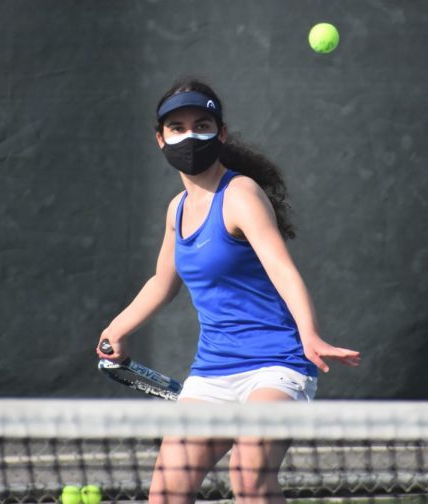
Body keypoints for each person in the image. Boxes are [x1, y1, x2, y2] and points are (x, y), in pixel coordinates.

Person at [96, 78, 361, 504]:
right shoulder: (177, 208)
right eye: (177, 127)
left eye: (201, 124)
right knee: (166, 493)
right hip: (212, 373)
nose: (189, 135)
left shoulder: (241, 195)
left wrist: (309, 334)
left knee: (249, 477)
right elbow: (163, 282)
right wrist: (117, 329)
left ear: (220, 133)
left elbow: (282, 269)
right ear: (161, 139)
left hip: (275, 364)